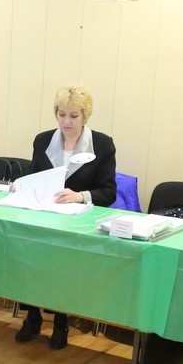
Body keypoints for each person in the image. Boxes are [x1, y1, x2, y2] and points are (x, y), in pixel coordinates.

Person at [14, 84, 117, 349]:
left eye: (73, 116)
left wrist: (80, 195)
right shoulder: (42, 140)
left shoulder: (102, 145)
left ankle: (61, 322)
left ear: (85, 116)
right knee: (30, 263)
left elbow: (108, 192)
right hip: (43, 217)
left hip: (76, 223)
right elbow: (35, 177)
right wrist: (21, 185)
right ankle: (32, 317)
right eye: (61, 115)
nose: (66, 122)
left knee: (61, 269)